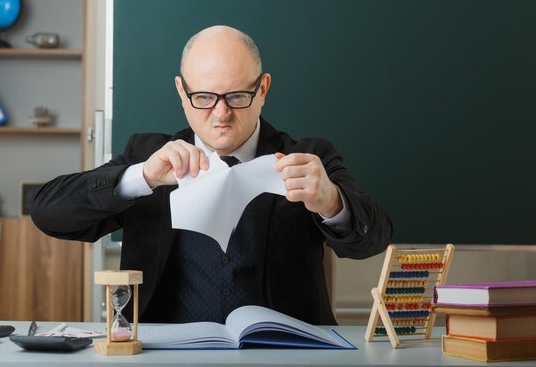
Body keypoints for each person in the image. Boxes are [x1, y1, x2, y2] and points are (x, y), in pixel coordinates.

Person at [31, 25, 392, 325]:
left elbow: (372, 240)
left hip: (284, 354)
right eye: (203, 97)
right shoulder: (147, 156)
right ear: (181, 92)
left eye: (236, 96)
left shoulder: (308, 157)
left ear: (262, 89)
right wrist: (142, 177)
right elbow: (48, 213)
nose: (221, 114)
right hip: (164, 355)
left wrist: (331, 201)